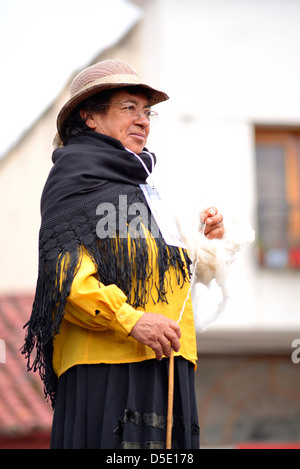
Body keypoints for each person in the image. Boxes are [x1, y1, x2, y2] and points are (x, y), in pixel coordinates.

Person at [22, 60, 224, 449]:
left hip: (167, 358)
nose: (143, 121)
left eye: (148, 112)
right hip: (107, 364)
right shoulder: (73, 180)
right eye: (129, 107)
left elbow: (155, 269)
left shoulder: (145, 189)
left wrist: (203, 241)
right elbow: (66, 278)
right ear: (90, 117)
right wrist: (130, 320)